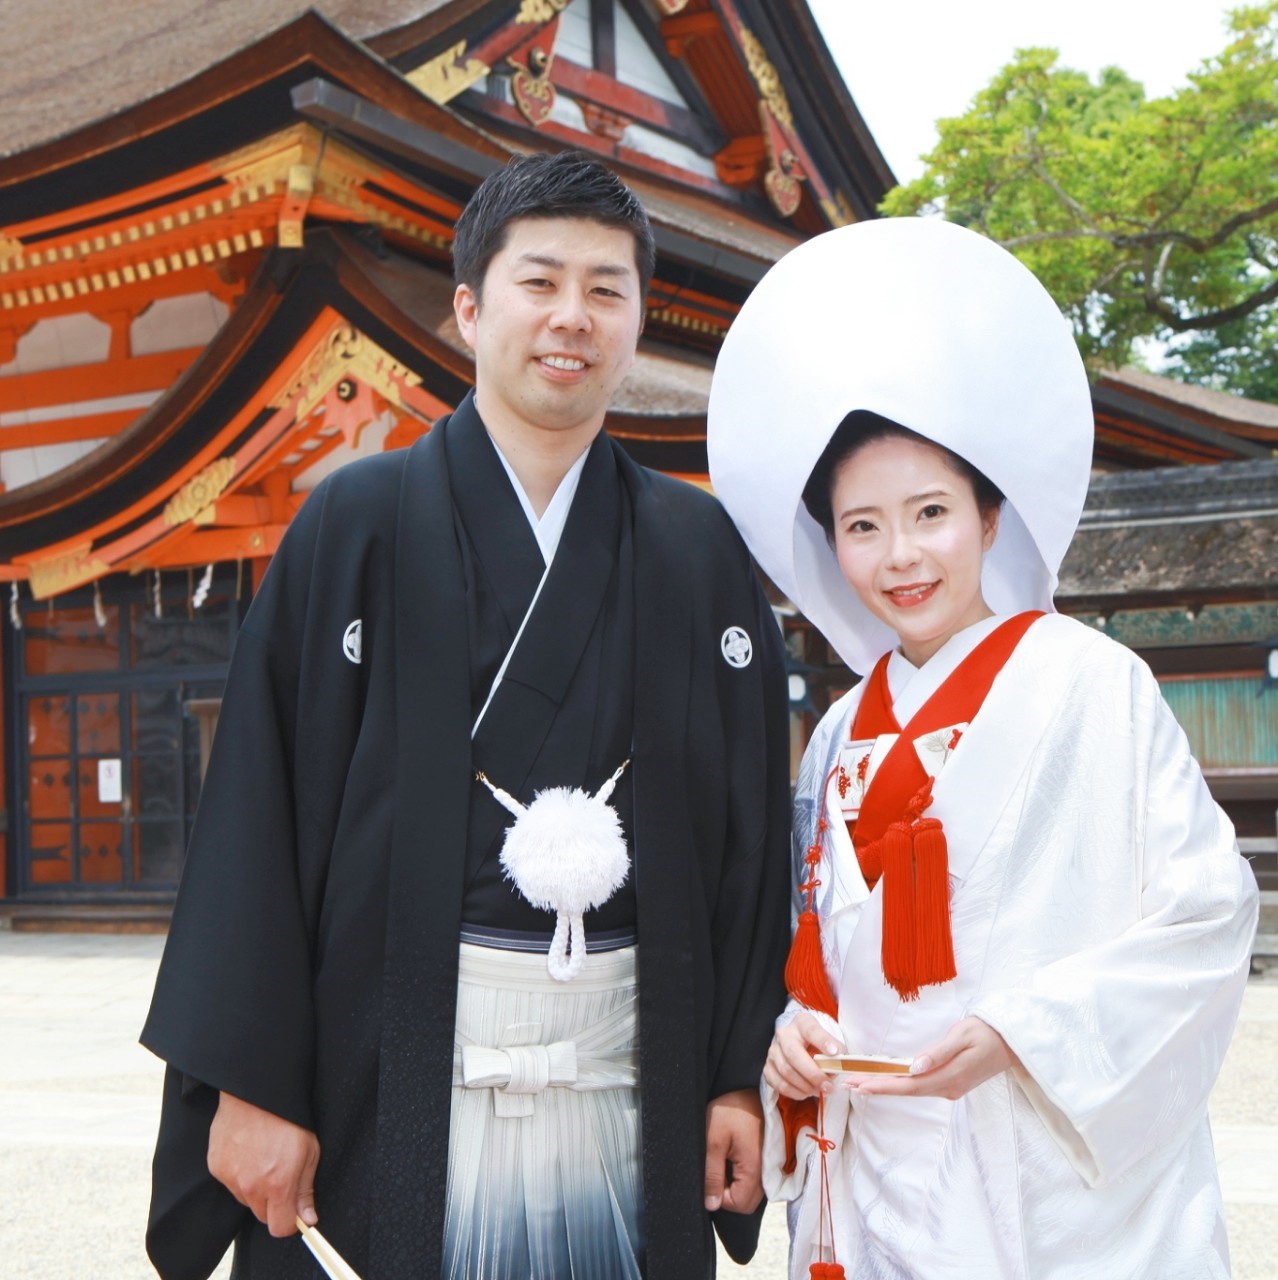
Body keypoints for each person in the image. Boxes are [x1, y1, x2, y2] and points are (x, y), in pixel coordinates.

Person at [141, 150, 791, 1280]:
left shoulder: (697, 549)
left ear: (639, 317)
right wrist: (253, 1083)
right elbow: (257, 815)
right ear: (467, 306)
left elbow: (748, 832)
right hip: (392, 1058)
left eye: (607, 288)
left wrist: (736, 1067)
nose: (572, 317)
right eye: (540, 282)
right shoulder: (354, 523)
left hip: (630, 1066)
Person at [706, 217, 1259, 1279]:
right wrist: (793, 1032)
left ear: (992, 517)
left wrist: (1024, 1031)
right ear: (831, 544)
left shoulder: (1092, 685)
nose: (900, 554)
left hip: (1038, 1167)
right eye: (862, 526)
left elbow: (1207, 912)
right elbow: (822, 944)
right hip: (874, 1168)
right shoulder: (835, 733)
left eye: (930, 512)